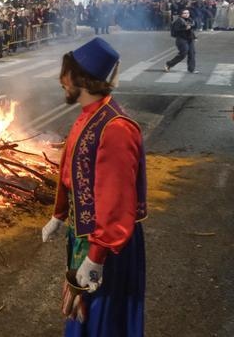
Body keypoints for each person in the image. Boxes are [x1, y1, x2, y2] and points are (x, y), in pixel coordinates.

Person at [42, 37, 146, 336]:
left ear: (82, 79)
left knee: (102, 322)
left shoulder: (115, 128)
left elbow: (117, 202)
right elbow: (71, 171)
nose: (62, 80)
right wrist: (59, 215)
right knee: (83, 317)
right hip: (85, 233)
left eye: (67, 74)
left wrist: (96, 256)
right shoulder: (90, 115)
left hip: (107, 244)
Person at [164, 8, 198, 74]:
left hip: (190, 39)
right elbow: (176, 30)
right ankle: (169, 64)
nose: (186, 14)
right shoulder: (179, 21)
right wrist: (185, 28)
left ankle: (191, 69)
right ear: (181, 14)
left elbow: (191, 30)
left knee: (192, 54)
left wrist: (194, 37)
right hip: (181, 40)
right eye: (184, 13)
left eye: (187, 13)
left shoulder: (190, 20)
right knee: (183, 53)